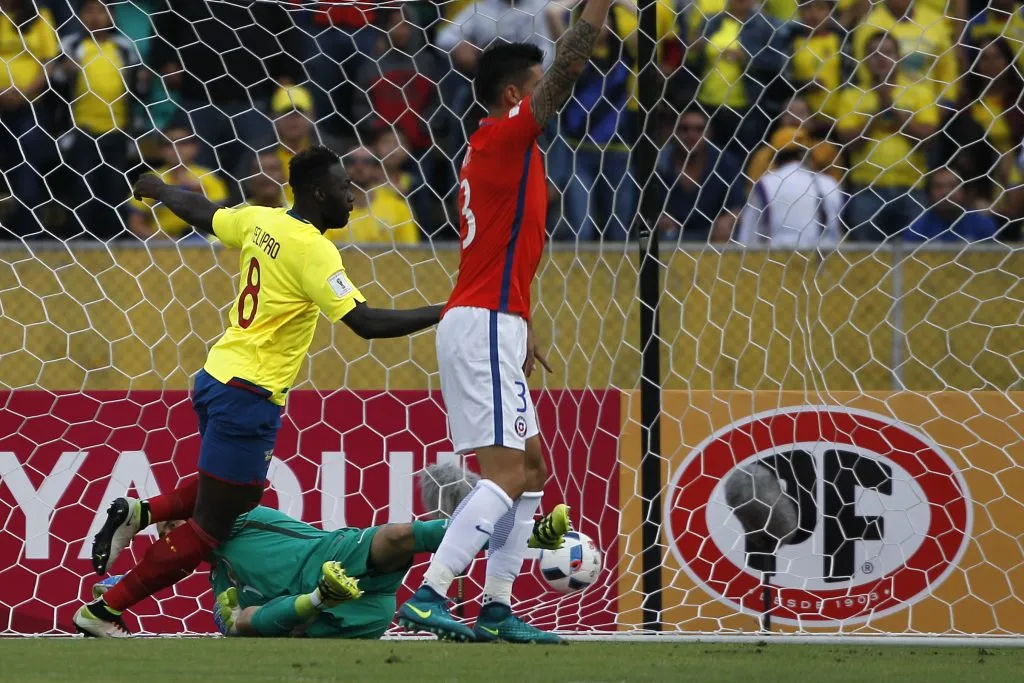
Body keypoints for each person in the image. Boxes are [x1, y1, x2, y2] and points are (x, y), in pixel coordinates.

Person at [73, 145, 445, 637]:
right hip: (249, 394)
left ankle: (142, 511)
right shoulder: (313, 248)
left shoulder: (260, 221)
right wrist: (448, 309)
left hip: (216, 377)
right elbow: (365, 321)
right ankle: (106, 610)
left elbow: (205, 213)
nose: (352, 200)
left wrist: (161, 190)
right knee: (212, 527)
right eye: (343, 189)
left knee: (239, 497)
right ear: (317, 192)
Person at [397, 0, 615, 644]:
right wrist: (594, 10)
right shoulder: (503, 134)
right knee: (509, 472)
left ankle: (495, 604)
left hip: (498, 319)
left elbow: (504, 247)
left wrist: (524, 323)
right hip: (483, 323)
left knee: (532, 469)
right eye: (538, 81)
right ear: (516, 93)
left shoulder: (504, 153)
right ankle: (432, 592)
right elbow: (569, 67)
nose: (551, 85)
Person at [53, 0, 143, 240]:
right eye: (90, 11)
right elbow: (54, 85)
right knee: (83, 192)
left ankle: (112, 247)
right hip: (81, 132)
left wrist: (142, 80)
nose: (96, 17)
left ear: (112, 16)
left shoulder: (124, 47)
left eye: (102, 11)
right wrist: (63, 71)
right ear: (80, 16)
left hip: (117, 132)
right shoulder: (72, 45)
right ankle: (79, 247)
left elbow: (138, 89)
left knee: (114, 192)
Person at [837, 32, 938, 241]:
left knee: (915, 259)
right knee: (867, 262)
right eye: (874, 53)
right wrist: (879, 112)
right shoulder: (851, 96)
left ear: (899, 56)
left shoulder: (920, 92)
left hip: (911, 190)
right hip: (867, 190)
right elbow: (851, 143)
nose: (881, 58)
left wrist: (892, 109)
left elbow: (927, 139)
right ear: (864, 59)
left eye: (888, 52)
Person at [0, 0, 59, 238]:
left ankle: (28, 237)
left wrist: (23, 93)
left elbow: (48, 63)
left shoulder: (40, 16)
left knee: (26, 171)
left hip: (29, 106)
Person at [735, 128, 844, 248]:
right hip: (825, 260)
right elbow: (837, 232)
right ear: (806, 154)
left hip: (779, 260)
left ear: (775, 157)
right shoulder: (830, 183)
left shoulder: (766, 183)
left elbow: (748, 235)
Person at [656, 107, 746, 243]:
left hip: (712, 233)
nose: (691, 135)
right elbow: (640, 208)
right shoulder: (659, 163)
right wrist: (657, 218)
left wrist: (728, 220)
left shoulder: (724, 162)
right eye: (684, 129)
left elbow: (739, 206)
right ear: (674, 132)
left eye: (699, 129)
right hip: (669, 235)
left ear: (709, 133)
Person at [128, 121, 228, 239]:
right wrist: (156, 238)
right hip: (161, 242)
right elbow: (135, 222)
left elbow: (222, 217)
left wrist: (199, 193)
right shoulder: (151, 179)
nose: (176, 148)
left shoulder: (208, 178)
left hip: (202, 239)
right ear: (160, 150)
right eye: (169, 144)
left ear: (195, 147)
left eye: (183, 143)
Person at [325, 146, 420, 245]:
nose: (359, 167)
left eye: (367, 162)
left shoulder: (398, 207)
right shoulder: (329, 210)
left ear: (377, 168)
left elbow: (411, 252)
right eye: (351, 161)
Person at [907, 168, 999, 242]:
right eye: (938, 187)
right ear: (929, 193)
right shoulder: (917, 228)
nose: (946, 192)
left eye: (952, 186)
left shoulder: (981, 224)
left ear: (963, 190)